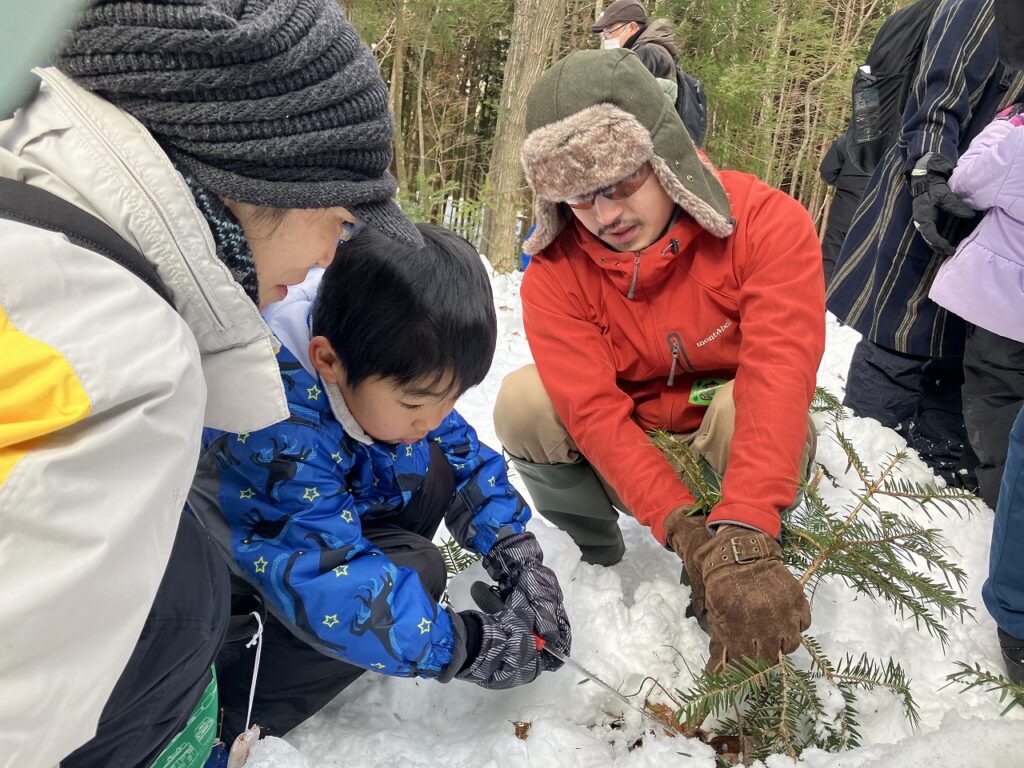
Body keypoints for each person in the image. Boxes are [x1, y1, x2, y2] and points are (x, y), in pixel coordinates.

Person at [0, 1, 420, 766]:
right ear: (266, 183)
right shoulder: (126, 359)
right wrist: (456, 643)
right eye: (339, 221)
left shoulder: (37, 224)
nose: (331, 257)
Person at [493, 49, 824, 668]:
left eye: (621, 183)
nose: (606, 215)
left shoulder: (767, 224)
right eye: (578, 197)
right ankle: (594, 563)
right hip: (632, 451)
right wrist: (681, 528)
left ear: (662, 154)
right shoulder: (555, 273)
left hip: (727, 442)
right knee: (524, 402)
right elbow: (591, 413)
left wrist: (744, 527)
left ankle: (749, 553)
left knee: (737, 399)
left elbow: (779, 373)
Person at [188, 223, 571, 739]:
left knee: (431, 462)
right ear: (327, 360)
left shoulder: (378, 350)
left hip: (315, 519)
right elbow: (326, 578)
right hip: (236, 581)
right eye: (417, 402)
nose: (436, 416)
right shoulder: (272, 424)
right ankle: (232, 712)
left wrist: (517, 555)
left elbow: (462, 458)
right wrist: (469, 645)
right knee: (417, 567)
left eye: (452, 398)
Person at [826, 0, 1018, 487]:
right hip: (930, 195)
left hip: (986, 213)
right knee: (900, 338)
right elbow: (939, 91)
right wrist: (925, 164)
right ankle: (857, 480)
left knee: (960, 351)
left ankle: (935, 486)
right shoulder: (978, 6)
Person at [928, 103, 1024, 510]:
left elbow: (966, 183)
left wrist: (1004, 125)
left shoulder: (1019, 143)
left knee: (997, 404)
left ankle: (1004, 512)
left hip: (1004, 307)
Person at [591, 0, 708, 147]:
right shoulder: (646, 51)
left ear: (632, 27)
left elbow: (640, 110)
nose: (606, 38)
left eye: (609, 32)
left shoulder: (647, 53)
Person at [818, 134, 869, 286]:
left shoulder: (847, 141)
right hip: (873, 218)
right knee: (864, 266)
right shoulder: (896, 147)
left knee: (830, 261)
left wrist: (844, 183)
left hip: (843, 214)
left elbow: (827, 171)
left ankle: (819, 304)